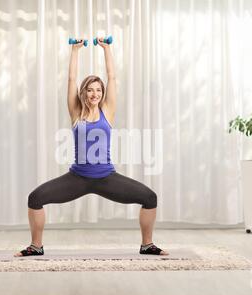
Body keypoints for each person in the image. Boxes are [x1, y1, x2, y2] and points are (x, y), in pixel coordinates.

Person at [15, 37, 168, 257]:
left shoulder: (108, 111)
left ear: (102, 93)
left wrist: (107, 49)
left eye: (98, 90)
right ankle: (36, 246)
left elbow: (112, 76)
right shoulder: (76, 112)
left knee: (149, 197)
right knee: (35, 198)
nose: (94, 93)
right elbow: (71, 78)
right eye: (89, 90)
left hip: (106, 177)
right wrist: (75, 50)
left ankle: (147, 245)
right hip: (77, 178)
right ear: (83, 93)